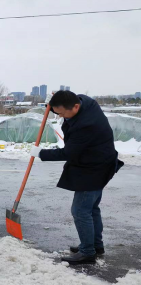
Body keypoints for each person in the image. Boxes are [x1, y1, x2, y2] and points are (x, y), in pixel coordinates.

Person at [30, 90, 124, 265]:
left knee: (80, 211)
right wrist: (52, 104)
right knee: (91, 209)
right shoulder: (86, 102)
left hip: (94, 168)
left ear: (75, 107)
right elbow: (65, 104)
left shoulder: (87, 126)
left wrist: (40, 153)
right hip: (100, 162)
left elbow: (68, 152)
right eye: (58, 113)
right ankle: (96, 246)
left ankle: (88, 253)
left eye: (63, 113)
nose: (61, 117)